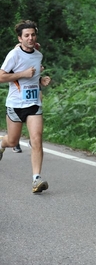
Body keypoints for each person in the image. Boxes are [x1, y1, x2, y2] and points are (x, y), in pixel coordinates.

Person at [0, 20, 51, 193]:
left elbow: (34, 75)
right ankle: (2, 144)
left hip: (34, 104)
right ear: (20, 38)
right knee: (12, 141)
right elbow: (1, 77)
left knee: (36, 138)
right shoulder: (13, 55)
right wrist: (23, 74)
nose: (30, 38)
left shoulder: (38, 55)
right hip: (15, 105)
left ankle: (36, 179)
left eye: (33, 35)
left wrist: (40, 80)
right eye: (26, 35)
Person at [12, 42, 46, 153]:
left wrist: (40, 72)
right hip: (20, 89)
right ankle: (15, 141)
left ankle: (34, 138)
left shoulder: (37, 47)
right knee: (20, 116)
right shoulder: (18, 49)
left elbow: (37, 65)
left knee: (36, 108)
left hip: (34, 87)